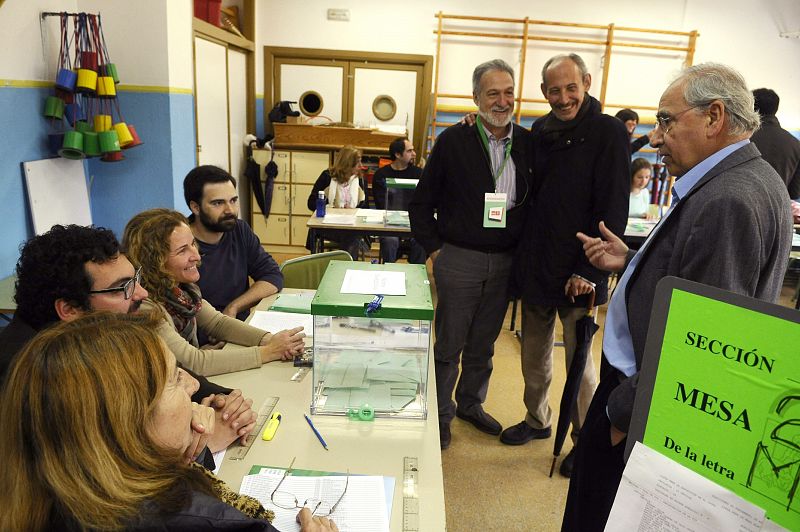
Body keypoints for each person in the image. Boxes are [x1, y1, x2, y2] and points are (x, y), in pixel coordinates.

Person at [564, 63, 792, 532]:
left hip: (643, 402)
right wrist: (633, 261)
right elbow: (700, 285)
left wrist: (618, 414)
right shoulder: (754, 177)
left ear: (714, 117)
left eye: (667, 121)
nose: (653, 138)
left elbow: (702, 346)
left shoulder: (728, 199)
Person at [0, 312, 337, 531]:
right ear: (127, 425)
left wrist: (179, 455)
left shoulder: (42, 494)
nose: (193, 385)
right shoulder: (199, 520)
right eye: (176, 379)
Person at [0, 224, 257, 461]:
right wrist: (198, 447)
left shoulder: (100, 335)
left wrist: (226, 402)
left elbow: (175, 375)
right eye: (123, 288)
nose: (142, 294)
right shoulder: (31, 377)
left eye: (136, 279)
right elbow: (107, 474)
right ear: (69, 309)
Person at [501, 53, 630, 480]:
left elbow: (613, 207)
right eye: (554, 90)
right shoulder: (540, 129)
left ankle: (584, 440)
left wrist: (590, 270)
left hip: (581, 271)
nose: (563, 97)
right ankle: (538, 421)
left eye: (570, 88)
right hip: (539, 265)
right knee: (533, 359)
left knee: (581, 365)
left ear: (587, 83)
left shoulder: (609, 132)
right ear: (544, 92)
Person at [409, 58, 532, 450]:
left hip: (506, 261)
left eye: (508, 92)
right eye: (492, 93)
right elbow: (421, 203)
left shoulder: (529, 143)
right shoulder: (453, 140)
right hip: (459, 258)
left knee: (483, 343)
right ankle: (441, 413)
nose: (502, 101)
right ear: (475, 96)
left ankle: (470, 404)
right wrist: (434, 251)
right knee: (449, 344)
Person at [123, 209, 305, 376]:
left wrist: (270, 339)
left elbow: (218, 323)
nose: (195, 255)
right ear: (155, 262)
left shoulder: (182, 290)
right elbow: (194, 363)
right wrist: (269, 351)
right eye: (182, 251)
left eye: (192, 244)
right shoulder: (144, 306)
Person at [184, 165, 283, 323]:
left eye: (233, 200)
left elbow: (272, 276)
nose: (229, 210)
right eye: (218, 203)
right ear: (195, 207)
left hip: (238, 326)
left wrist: (234, 307)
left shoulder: (239, 230)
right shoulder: (179, 245)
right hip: (199, 339)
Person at [306, 146, 368, 259]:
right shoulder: (327, 177)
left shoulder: (360, 180)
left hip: (352, 226)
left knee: (352, 235)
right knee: (351, 237)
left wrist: (354, 210)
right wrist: (330, 208)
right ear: (347, 164)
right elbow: (310, 203)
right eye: (357, 163)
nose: (360, 166)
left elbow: (366, 207)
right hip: (329, 226)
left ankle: (344, 265)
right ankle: (344, 264)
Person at [372, 137, 426, 264]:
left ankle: (417, 274)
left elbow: (424, 200)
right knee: (390, 240)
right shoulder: (381, 175)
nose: (414, 154)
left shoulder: (419, 174)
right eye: (409, 151)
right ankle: (389, 272)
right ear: (397, 154)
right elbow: (381, 204)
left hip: (413, 222)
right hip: (390, 222)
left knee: (422, 240)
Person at [750, 88, 800, 198]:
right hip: (779, 210)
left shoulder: (742, 138)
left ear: (751, 107)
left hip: (744, 207)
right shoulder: (795, 144)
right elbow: (794, 193)